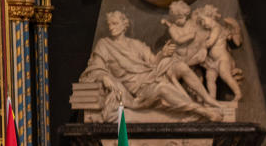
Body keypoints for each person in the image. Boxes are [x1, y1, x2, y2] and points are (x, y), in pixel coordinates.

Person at [79, 10, 221, 121]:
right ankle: (201, 111)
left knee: (180, 66)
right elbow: (95, 67)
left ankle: (209, 100)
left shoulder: (136, 44)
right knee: (162, 88)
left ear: (124, 25)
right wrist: (104, 76)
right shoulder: (104, 44)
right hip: (139, 88)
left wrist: (163, 53)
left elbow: (153, 62)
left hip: (151, 75)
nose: (111, 28)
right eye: (109, 24)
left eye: (115, 23)